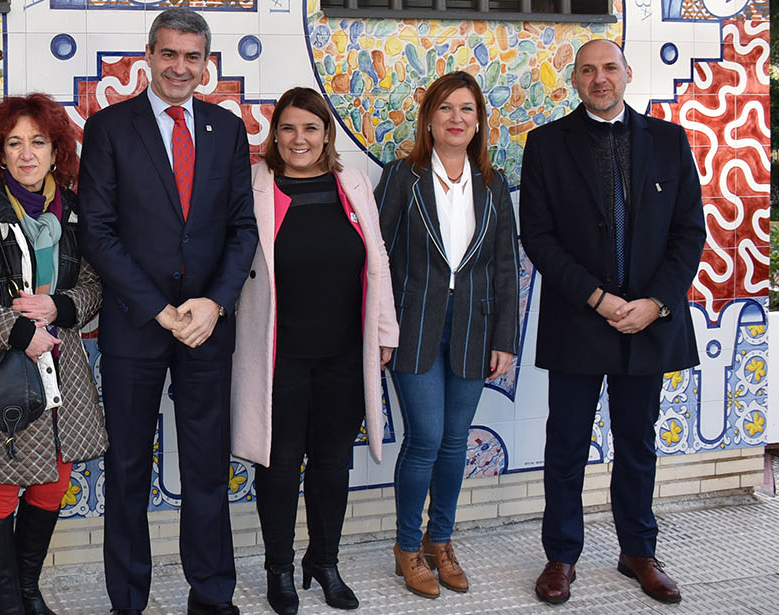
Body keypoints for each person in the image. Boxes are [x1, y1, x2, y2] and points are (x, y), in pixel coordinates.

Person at [79, 7, 258, 615]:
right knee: (127, 469)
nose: (180, 67)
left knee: (207, 469)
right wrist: (158, 309)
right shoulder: (108, 128)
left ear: (206, 64)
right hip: (135, 327)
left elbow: (242, 229)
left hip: (207, 328)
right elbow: (97, 233)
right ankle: (127, 601)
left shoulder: (227, 131)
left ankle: (212, 598)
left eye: (192, 56)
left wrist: (214, 302)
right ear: (148, 56)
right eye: (169, 54)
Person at [519, 39, 704, 606]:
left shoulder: (669, 142)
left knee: (638, 442)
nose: (600, 79)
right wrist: (597, 298)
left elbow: (688, 233)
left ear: (628, 73)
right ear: (573, 80)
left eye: (609, 68)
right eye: (588, 70)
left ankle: (638, 552)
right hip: (581, 318)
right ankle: (561, 557)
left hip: (649, 321)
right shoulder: (547, 144)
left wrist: (657, 303)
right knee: (567, 443)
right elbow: (539, 238)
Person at [0, 93, 108, 615]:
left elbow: (96, 285)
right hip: (4, 372)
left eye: (38, 142)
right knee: (1, 487)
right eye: (14, 143)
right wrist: (16, 331)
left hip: (65, 370)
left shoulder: (74, 213)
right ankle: (7, 604)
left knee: (54, 480)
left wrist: (59, 305)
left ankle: (28, 591)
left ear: (57, 151)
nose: (27, 154)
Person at [232, 87, 399, 613]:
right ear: (274, 134)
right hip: (277, 354)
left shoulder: (350, 183)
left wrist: (385, 333)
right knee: (278, 467)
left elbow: (379, 260)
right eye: (288, 128)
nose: (299, 139)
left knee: (331, 465)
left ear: (327, 133)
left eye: (310, 128)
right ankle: (279, 567)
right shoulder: (255, 185)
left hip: (345, 353)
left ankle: (323, 561)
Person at [374, 70, 520, 598]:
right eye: (445, 109)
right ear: (429, 120)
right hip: (413, 329)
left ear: (479, 121)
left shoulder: (493, 182)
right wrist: (381, 329)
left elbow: (506, 267)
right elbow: (378, 259)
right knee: (426, 439)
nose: (456, 119)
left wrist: (506, 338)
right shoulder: (400, 177)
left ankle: (441, 540)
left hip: (475, 332)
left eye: (466, 109)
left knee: (456, 443)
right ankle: (408, 548)